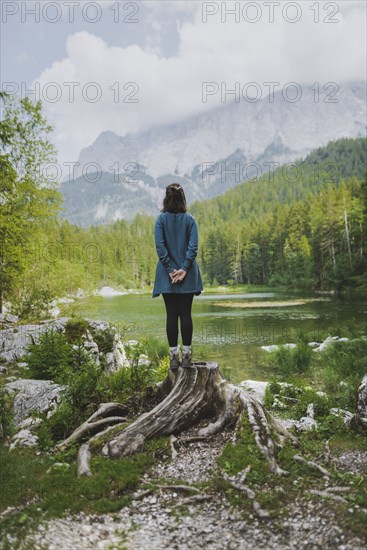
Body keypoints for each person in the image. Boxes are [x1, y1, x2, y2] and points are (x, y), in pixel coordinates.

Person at [152, 183, 203, 369]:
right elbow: (193, 247)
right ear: (183, 198)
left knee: (171, 315)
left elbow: (160, 247)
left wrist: (171, 270)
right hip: (187, 275)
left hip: (167, 276)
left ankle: (174, 359)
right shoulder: (190, 220)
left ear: (166, 198)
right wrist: (183, 269)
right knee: (186, 313)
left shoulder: (160, 220)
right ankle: (187, 357)